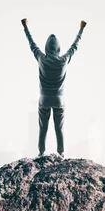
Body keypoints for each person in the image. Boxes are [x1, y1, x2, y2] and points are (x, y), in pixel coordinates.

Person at [21, 18, 87, 158]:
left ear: (46, 48)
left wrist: (25, 27)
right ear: (58, 49)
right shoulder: (64, 60)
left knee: (42, 127)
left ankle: (41, 152)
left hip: (44, 98)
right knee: (59, 127)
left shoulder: (41, 58)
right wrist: (81, 30)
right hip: (59, 99)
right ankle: (61, 153)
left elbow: (32, 44)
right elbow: (74, 47)